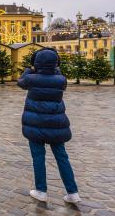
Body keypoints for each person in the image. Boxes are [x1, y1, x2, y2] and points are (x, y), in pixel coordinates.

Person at [17, 48, 81, 204]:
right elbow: (56, 74)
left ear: (36, 63)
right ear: (56, 63)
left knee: (38, 157)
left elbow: (20, 82)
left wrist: (28, 70)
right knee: (62, 157)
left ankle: (41, 191)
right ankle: (73, 193)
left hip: (35, 124)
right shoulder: (61, 80)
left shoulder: (31, 78)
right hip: (56, 124)